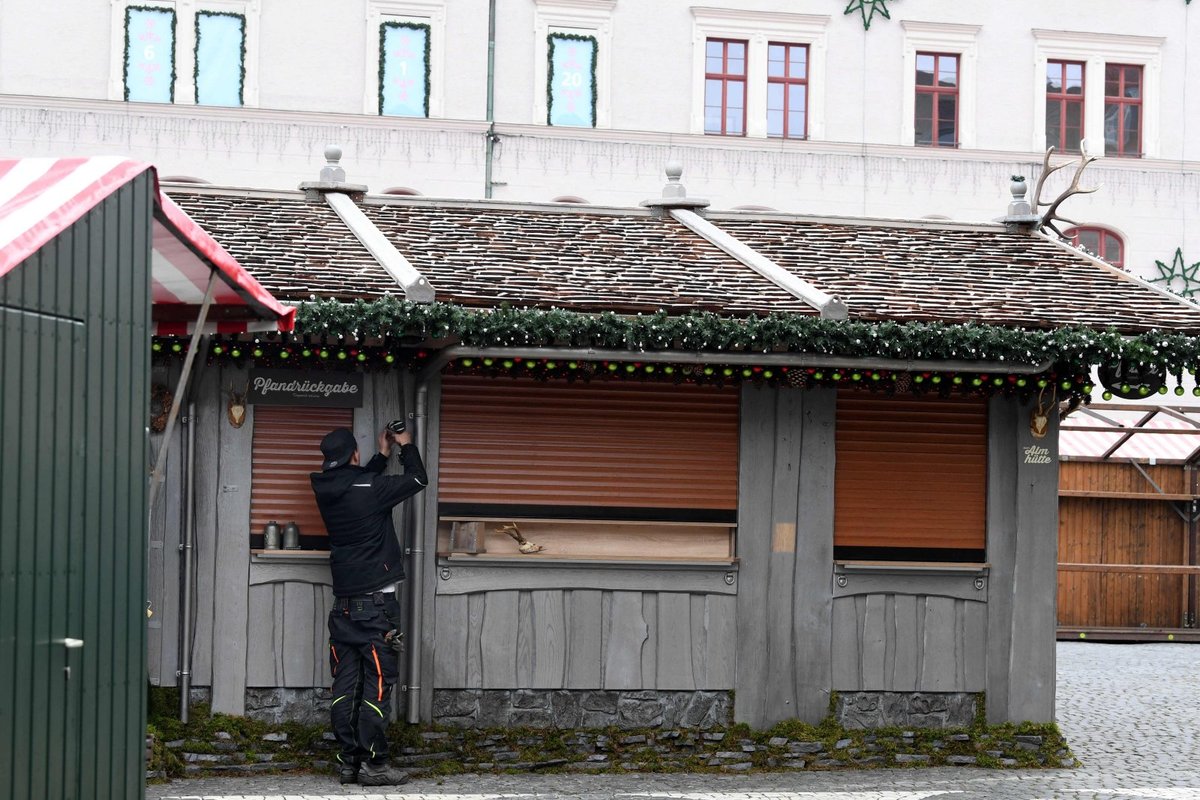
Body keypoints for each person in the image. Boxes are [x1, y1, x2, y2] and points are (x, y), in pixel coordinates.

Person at [310, 421, 428, 786]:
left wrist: (381, 455)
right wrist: (406, 445)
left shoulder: (327, 488)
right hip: (376, 607)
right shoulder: (371, 488)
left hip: (342, 606)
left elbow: (357, 482)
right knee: (377, 685)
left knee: (345, 685)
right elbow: (419, 479)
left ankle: (349, 762)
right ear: (354, 455)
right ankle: (376, 767)